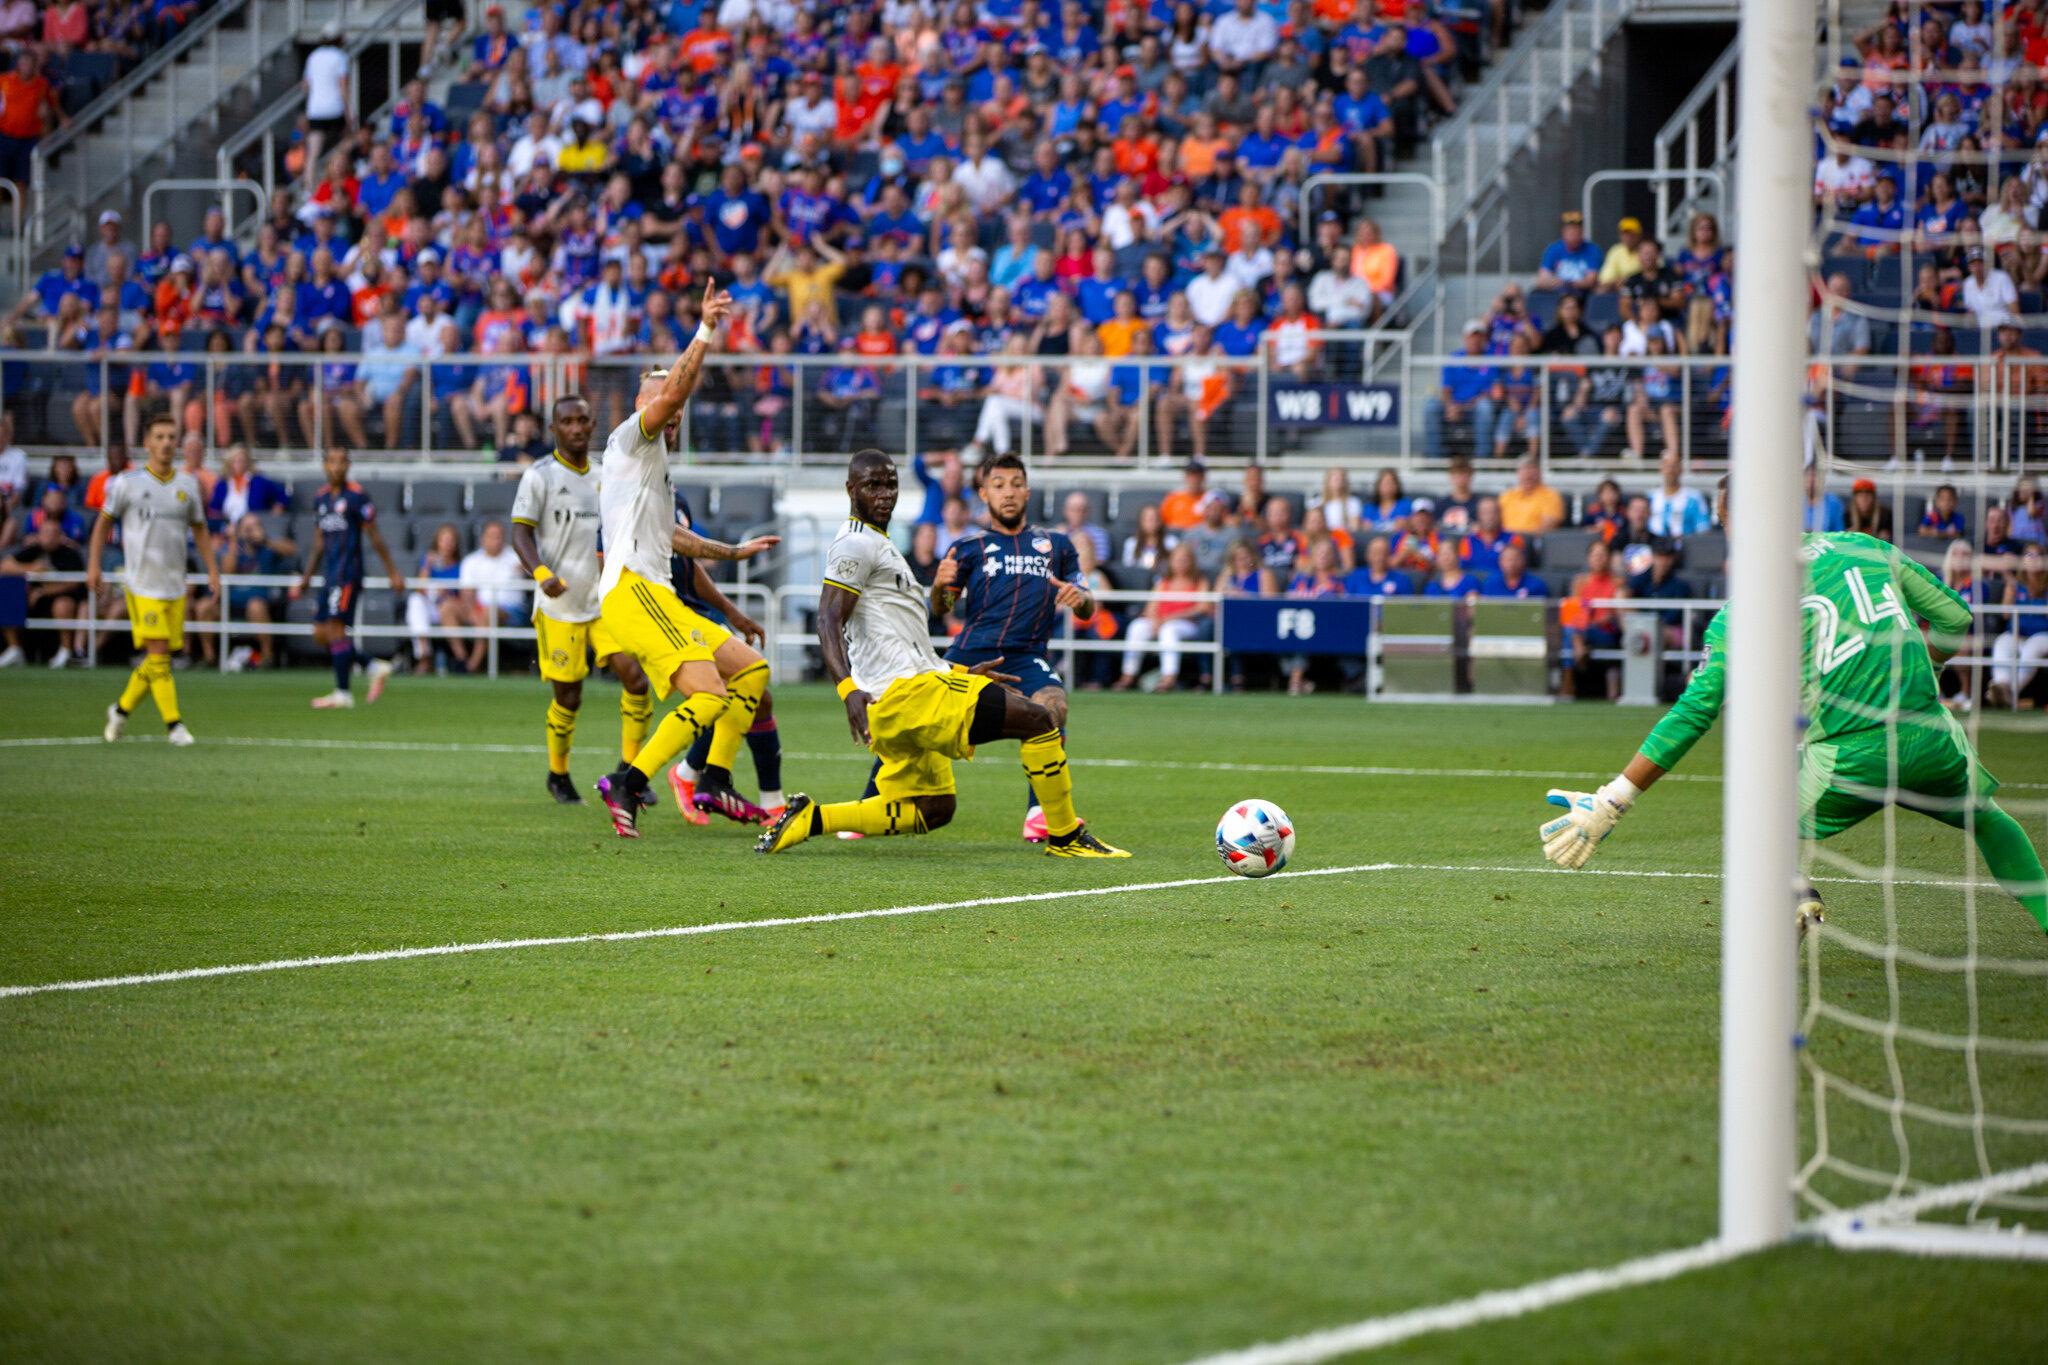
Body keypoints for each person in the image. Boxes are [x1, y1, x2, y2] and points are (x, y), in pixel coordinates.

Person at [1539, 482, 2047, 939]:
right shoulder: (1865, 545)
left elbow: (1695, 712)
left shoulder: (1743, 610)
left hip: (1849, 759)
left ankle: (1796, 897)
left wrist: (1615, 799)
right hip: (1929, 734)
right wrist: (1929, 667)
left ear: (1734, 525)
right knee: (1988, 820)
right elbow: (1955, 617)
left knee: (1758, 825)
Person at [757, 449, 1127, 858]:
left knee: (935, 808)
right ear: (851, 489)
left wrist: (957, 671)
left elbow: (902, 638)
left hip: (911, 688)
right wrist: (847, 690)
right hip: (907, 693)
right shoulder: (858, 543)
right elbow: (828, 618)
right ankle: (1064, 836)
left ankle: (813, 819)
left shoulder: (880, 544)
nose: (884, 494)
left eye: (891, 485)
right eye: (873, 485)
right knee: (1039, 720)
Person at [591, 282, 781, 838]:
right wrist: (705, 329)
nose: (672, 410)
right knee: (711, 692)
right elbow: (672, 394)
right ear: (642, 406)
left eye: (675, 405)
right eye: (662, 400)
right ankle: (628, 781)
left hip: (660, 594)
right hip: (632, 590)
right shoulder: (629, 440)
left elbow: (673, 536)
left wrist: (733, 552)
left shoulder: (655, 464)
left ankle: (713, 778)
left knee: (752, 670)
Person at [926, 453, 1098, 842]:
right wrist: (938, 586)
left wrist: (1080, 598)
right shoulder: (967, 546)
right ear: (983, 494)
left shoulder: (1057, 545)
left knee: (1054, 706)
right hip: (970, 652)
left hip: (1027, 656)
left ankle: (1039, 813)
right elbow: (941, 607)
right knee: (920, 713)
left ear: (1028, 491)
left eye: (1016, 484)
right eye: (999, 485)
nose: (1009, 493)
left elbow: (1087, 605)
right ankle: (875, 798)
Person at [509, 396, 656, 806]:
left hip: (605, 602)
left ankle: (630, 774)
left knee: (636, 680)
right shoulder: (539, 476)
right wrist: (541, 573)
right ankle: (558, 775)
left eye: (582, 420)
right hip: (560, 606)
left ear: (593, 425)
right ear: (553, 429)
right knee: (569, 697)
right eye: (567, 421)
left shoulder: (607, 475)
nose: (575, 428)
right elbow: (519, 533)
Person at [87, 414, 218, 746]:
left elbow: (200, 529)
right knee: (158, 654)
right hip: (142, 583)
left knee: (158, 661)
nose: (166, 443)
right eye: (159, 437)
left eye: (171, 437)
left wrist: (213, 570)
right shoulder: (126, 483)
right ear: (146, 443)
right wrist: (94, 565)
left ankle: (120, 710)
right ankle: (175, 726)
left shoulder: (187, 484)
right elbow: (103, 523)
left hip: (175, 584)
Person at [666, 483, 785, 826]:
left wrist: (731, 612)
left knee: (756, 697)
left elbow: (688, 565)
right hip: (667, 616)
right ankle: (678, 777)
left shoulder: (675, 497)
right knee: (728, 694)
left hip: (697, 613)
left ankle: (690, 775)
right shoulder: (630, 494)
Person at [290, 447, 405, 709]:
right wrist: (306, 577)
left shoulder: (357, 496)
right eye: (332, 461)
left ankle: (343, 692)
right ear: (324, 466)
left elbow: (375, 536)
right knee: (321, 634)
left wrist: (392, 572)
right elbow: (319, 542)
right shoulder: (320, 499)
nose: (337, 467)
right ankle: (372, 665)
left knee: (335, 628)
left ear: (348, 465)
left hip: (348, 573)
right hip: (329, 574)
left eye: (342, 461)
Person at [1115, 540, 1211, 692]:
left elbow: (1203, 607)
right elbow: (1151, 607)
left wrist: (1171, 618)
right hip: (1161, 621)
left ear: (1191, 562)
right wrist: (1155, 621)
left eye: (1184, 560)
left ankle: (1168, 678)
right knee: (1137, 627)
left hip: (1187, 623)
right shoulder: (1163, 582)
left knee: (1169, 630)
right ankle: (1128, 675)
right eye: (1177, 560)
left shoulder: (1199, 581)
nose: (1181, 563)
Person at [1986, 543, 2048, 709]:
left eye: (2038, 555)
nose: (2033, 560)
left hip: (2042, 635)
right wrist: (2010, 587)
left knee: (2032, 649)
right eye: (2029, 555)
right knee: (2001, 643)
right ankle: (2002, 685)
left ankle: (2009, 693)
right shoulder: (2015, 585)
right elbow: (2005, 614)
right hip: (2016, 633)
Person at [302, 23, 352, 189]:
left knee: (313, 152)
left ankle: (309, 187)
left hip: (315, 109)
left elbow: (305, 85)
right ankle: (338, 182)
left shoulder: (313, 56)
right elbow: (343, 85)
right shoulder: (340, 56)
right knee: (342, 147)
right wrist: (349, 110)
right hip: (335, 108)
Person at [1646, 452, 1712, 537]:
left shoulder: (1694, 498)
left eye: (1674, 466)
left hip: (1686, 544)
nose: (1671, 470)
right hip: (1654, 544)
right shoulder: (1650, 497)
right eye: (1667, 466)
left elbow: (1703, 529)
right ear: (1661, 469)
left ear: (1680, 469)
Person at [1497, 458, 1565, 535]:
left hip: (1535, 540)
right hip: (1505, 540)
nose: (1528, 477)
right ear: (1518, 474)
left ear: (1540, 473)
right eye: (1525, 472)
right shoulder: (1507, 495)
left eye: (1532, 472)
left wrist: (1518, 537)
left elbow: (1548, 527)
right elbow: (1494, 521)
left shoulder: (1551, 496)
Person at [1480, 541, 1547, 599]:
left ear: (1523, 561)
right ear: (1500, 562)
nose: (1511, 563)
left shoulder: (1536, 584)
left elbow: (1544, 608)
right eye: (1507, 559)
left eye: (1515, 559)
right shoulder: (1491, 582)